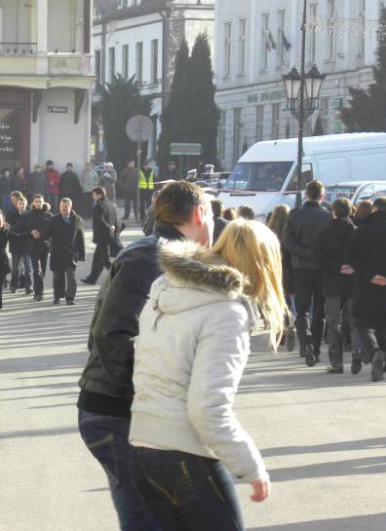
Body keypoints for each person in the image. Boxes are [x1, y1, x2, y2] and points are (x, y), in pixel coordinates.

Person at [78, 181, 212, 531]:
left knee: (153, 517)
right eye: (211, 214)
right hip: (122, 414)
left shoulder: (167, 256)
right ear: (199, 214)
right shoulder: (152, 258)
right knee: (150, 519)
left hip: (124, 411)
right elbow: (114, 337)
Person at [129, 219, 281, 528]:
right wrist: (251, 467)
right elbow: (208, 408)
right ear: (264, 265)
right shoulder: (226, 312)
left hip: (143, 445)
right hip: (184, 452)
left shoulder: (167, 286)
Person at [348, 197, 386, 382]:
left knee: (363, 323)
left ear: (374, 211)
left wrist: (371, 276)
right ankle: (380, 365)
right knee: (384, 327)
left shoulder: (360, 233)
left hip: (364, 285)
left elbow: (351, 258)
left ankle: (375, 352)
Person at [284, 180, 332, 366]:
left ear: (306, 194)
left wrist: (303, 252)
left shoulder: (295, 215)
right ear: (322, 195)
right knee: (319, 312)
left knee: (302, 310)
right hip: (320, 269)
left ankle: (306, 343)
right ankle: (316, 349)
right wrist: (316, 254)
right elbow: (330, 245)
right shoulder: (327, 217)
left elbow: (288, 241)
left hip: (301, 268)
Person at [313, 198, 356, 374]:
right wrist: (351, 267)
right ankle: (357, 354)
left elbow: (318, 257)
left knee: (333, 323)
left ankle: (336, 362)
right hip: (353, 282)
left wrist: (337, 267)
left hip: (332, 281)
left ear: (334, 212)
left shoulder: (324, 232)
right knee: (353, 320)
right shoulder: (356, 232)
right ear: (351, 211)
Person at [268, 204, 296, 351]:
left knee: (276, 302)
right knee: (289, 300)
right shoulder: (291, 232)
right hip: (290, 270)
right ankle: (290, 323)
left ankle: (280, 332)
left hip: (273, 271)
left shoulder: (269, 233)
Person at [18, 195, 53, 302]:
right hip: (32, 247)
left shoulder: (48, 215)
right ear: (33, 203)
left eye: (40, 201)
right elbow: (21, 228)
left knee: (42, 271)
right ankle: (39, 293)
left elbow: (52, 231)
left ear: (43, 203)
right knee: (36, 270)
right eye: (36, 201)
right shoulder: (28, 215)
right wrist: (30, 232)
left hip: (44, 247)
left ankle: (38, 290)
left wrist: (42, 235)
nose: (38, 203)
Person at [82, 186, 118, 285]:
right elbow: (115, 219)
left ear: (99, 195)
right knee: (97, 259)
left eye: (94, 195)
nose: (93, 197)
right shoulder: (111, 204)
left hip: (102, 237)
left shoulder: (99, 206)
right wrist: (113, 228)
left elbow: (100, 221)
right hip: (109, 236)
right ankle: (92, 279)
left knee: (105, 260)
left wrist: (109, 227)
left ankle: (119, 276)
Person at [6, 195, 32, 294]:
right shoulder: (11, 214)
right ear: (17, 205)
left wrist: (22, 233)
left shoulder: (29, 214)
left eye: (23, 203)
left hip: (26, 243)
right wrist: (14, 232)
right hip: (15, 243)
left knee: (28, 266)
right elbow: (8, 228)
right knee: (15, 267)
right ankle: (13, 285)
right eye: (19, 204)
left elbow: (30, 228)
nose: (21, 205)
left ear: (26, 204)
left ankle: (28, 286)